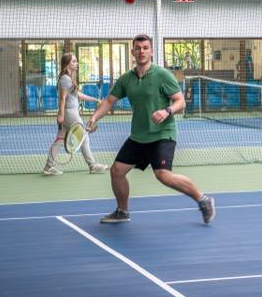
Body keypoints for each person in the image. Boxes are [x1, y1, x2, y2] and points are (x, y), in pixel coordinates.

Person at [86, 34, 215, 225]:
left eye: (145, 48)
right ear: (132, 52)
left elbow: (180, 102)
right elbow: (109, 101)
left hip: (162, 135)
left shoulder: (163, 75)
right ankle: (122, 211)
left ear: (152, 52)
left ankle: (203, 200)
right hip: (138, 136)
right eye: (138, 48)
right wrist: (94, 117)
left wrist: (166, 111)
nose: (142, 51)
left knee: (163, 175)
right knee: (117, 171)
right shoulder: (126, 79)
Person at [43, 53, 108, 176]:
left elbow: (77, 95)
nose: (76, 63)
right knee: (84, 138)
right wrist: (61, 115)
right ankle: (92, 165)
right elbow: (62, 98)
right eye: (74, 61)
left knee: (59, 140)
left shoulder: (68, 79)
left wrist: (95, 100)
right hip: (70, 113)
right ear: (67, 64)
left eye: (76, 61)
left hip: (69, 112)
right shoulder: (65, 79)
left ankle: (48, 167)